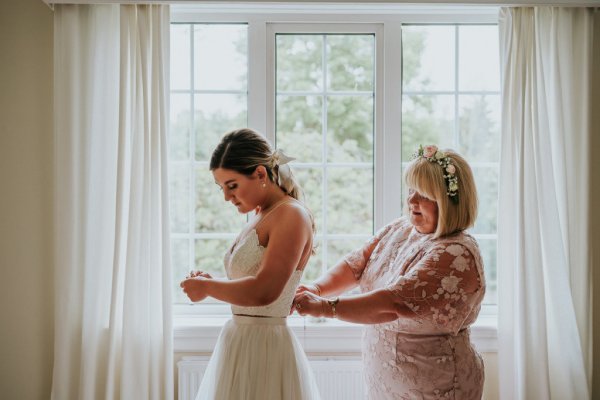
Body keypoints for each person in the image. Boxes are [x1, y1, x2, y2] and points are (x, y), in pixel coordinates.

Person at [293, 145, 485, 400]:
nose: (412, 201)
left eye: (424, 195)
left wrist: (325, 308)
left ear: (451, 201)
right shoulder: (401, 228)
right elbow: (356, 264)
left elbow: (394, 302)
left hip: (435, 384)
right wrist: (316, 288)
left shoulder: (456, 253)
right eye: (410, 190)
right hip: (387, 380)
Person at [180, 128, 321, 400]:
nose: (226, 197)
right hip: (240, 341)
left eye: (232, 186)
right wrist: (210, 282)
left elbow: (265, 290)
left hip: (265, 348)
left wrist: (208, 288)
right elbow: (248, 283)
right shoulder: (261, 214)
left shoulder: (290, 214)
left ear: (259, 174)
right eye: (221, 188)